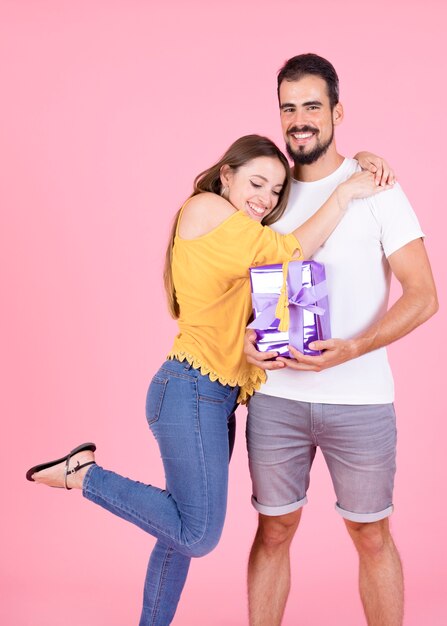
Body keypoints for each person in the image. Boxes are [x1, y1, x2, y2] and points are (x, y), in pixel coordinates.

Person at [26, 134, 390, 626]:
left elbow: (244, 308)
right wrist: (345, 192)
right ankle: (83, 474)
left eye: (276, 190)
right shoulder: (205, 208)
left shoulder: (236, 233)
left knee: (176, 534)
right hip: (189, 388)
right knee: (199, 534)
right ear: (226, 175)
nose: (264, 198)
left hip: (216, 398)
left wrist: (356, 163)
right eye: (255, 182)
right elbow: (284, 251)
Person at [244, 54, 438, 626]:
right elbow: (231, 280)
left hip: (361, 399)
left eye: (312, 106)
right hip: (276, 397)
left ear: (336, 111)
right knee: (274, 529)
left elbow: (424, 295)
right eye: (288, 108)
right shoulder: (267, 192)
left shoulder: (375, 187)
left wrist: (355, 347)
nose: (299, 119)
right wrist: (244, 342)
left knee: (371, 533)